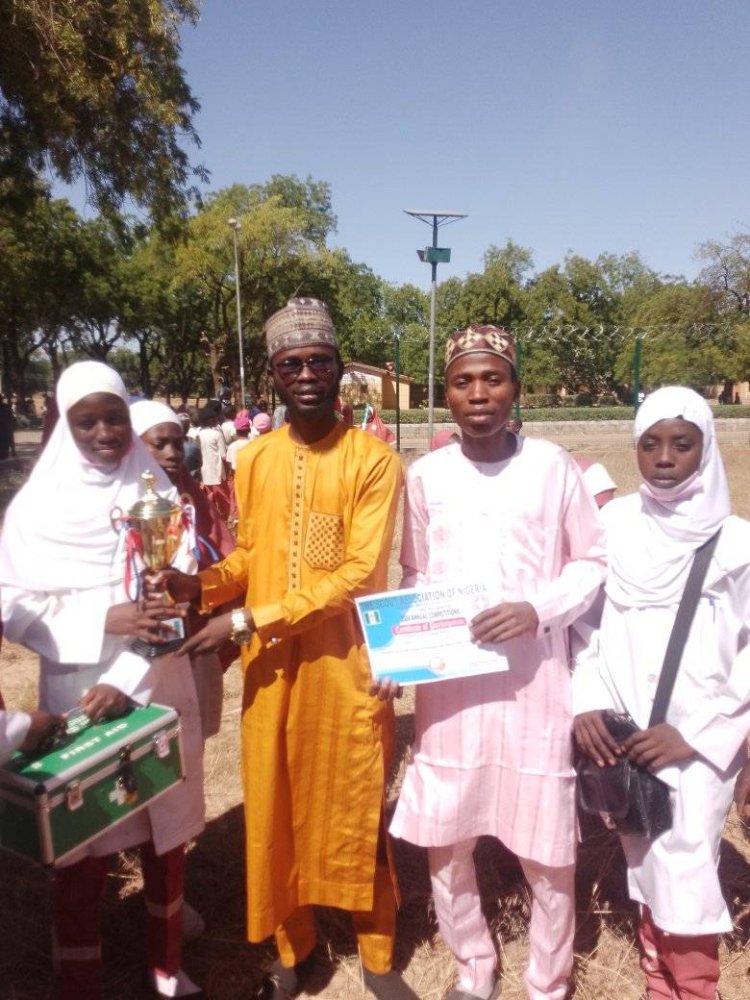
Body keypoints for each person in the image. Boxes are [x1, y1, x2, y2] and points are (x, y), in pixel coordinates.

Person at [148, 298, 414, 1000]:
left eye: (318, 361)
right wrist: (197, 585)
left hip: (344, 664)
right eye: (291, 364)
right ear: (273, 373)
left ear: (337, 369)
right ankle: (295, 951)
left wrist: (245, 622)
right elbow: (253, 557)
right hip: (272, 669)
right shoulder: (254, 457)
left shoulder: (375, 461)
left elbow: (359, 573)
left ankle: (378, 955)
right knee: (276, 813)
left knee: (355, 809)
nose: (305, 374)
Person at [387, 325, 607, 1000]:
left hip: (534, 683)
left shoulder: (552, 468)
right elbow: (419, 575)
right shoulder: (424, 477)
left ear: (515, 385)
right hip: (452, 691)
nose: (478, 394)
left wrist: (535, 610)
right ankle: (472, 968)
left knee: (546, 849)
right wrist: (401, 651)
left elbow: (591, 562)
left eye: (493, 379)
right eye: (463, 381)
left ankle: (548, 980)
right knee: (445, 841)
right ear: (444, 393)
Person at [0, 362, 205, 1000]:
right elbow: (10, 603)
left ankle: (168, 969)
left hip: (159, 682)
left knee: (164, 838)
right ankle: (79, 979)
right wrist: (101, 619)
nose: (104, 432)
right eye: (85, 420)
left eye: (114, 416)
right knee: (81, 844)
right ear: (63, 422)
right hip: (76, 692)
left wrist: (129, 672)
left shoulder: (156, 492)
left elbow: (178, 592)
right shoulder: (37, 507)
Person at [573, 386, 750, 1000]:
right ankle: (658, 982)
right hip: (628, 733)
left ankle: (695, 988)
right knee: (642, 854)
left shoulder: (736, 543)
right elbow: (587, 625)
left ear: (707, 448)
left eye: (682, 443)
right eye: (650, 444)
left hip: (697, 739)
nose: (666, 457)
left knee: (687, 864)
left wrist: (696, 734)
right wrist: (587, 701)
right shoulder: (614, 525)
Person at [130, 398, 236, 734]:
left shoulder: (193, 501)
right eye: (158, 444)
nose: (172, 453)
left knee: (191, 748)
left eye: (178, 443)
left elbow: (227, 558)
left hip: (193, 642)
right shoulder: (116, 507)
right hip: (135, 656)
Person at [195, 405, 230, 520]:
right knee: (224, 498)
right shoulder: (216, 434)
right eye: (215, 419)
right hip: (217, 470)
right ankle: (226, 518)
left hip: (205, 471)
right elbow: (224, 455)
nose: (217, 420)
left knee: (210, 498)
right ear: (211, 421)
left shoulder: (198, 435)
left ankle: (214, 518)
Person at [0, 392, 16, 460]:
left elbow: (10, 425)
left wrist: (13, 449)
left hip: (4, 435)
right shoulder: (7, 408)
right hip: (5, 434)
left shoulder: (7, 408)